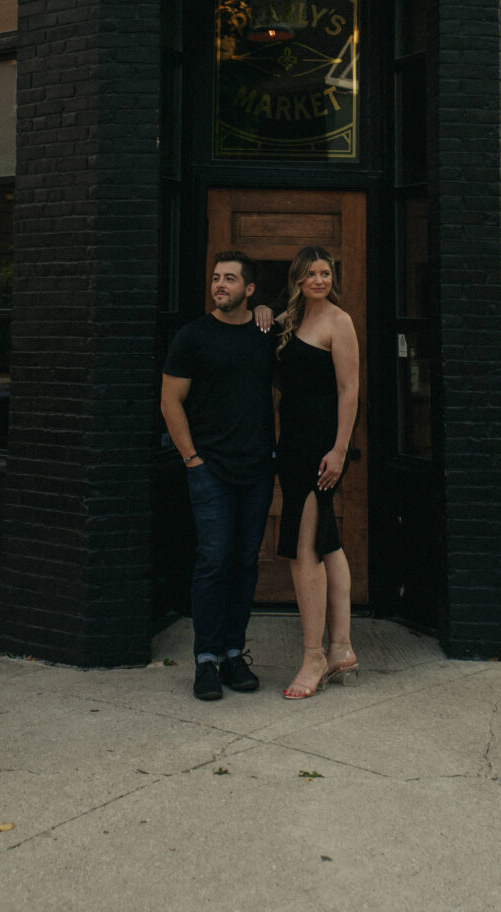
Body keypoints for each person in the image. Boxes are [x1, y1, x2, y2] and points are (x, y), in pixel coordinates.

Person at [160, 250, 276, 701]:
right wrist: (191, 458)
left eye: (230, 279)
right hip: (209, 469)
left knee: (245, 561)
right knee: (213, 561)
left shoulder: (266, 332)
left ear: (249, 290)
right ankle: (205, 661)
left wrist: (270, 311)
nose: (219, 285)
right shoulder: (193, 336)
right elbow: (170, 401)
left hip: (258, 468)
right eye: (215, 278)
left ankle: (232, 652)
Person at [273, 246, 360, 700]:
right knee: (327, 540)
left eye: (327, 272)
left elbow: (349, 390)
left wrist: (340, 449)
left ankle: (313, 656)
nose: (321, 280)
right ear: (298, 279)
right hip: (292, 444)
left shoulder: (338, 322)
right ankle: (341, 647)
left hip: (321, 448)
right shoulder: (289, 323)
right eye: (312, 273)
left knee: (305, 545)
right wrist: (264, 312)